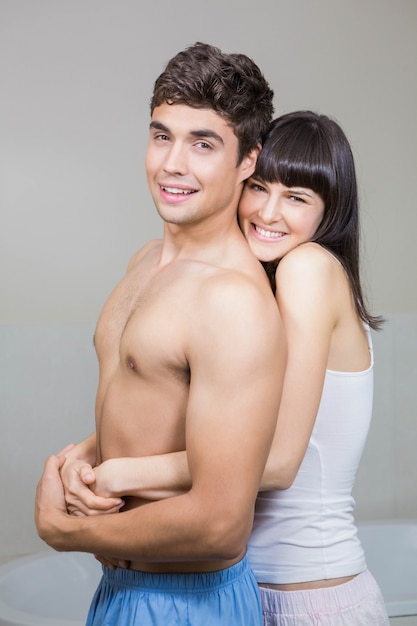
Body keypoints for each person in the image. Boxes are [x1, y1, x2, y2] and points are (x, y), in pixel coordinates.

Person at [59, 111, 390, 625]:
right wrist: (85, 453)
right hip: (256, 587)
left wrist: (120, 475)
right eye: (259, 188)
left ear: (331, 212)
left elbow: (278, 460)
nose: (268, 212)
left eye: (298, 198)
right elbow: (222, 424)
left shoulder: (309, 270)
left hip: (309, 594)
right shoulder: (259, 282)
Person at [34, 42, 287, 626]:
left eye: (204, 143)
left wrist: (64, 531)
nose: (173, 163)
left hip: (189, 602)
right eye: (162, 135)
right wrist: (84, 459)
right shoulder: (146, 261)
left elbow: (222, 525)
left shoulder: (231, 301)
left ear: (247, 160)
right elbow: (146, 411)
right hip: (125, 586)